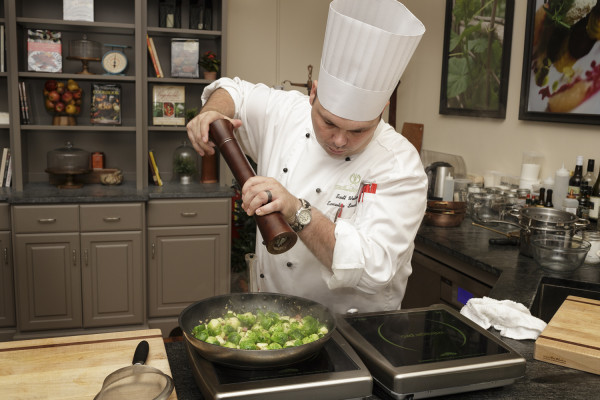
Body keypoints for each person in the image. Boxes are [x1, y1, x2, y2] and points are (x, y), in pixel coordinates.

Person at [187, 0, 427, 314]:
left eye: (359, 131)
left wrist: (296, 209)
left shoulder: (399, 164)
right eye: (328, 123)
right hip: (273, 315)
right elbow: (234, 90)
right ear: (312, 94)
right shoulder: (286, 111)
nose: (340, 141)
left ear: (380, 112)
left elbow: (372, 270)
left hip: (354, 332)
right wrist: (213, 112)